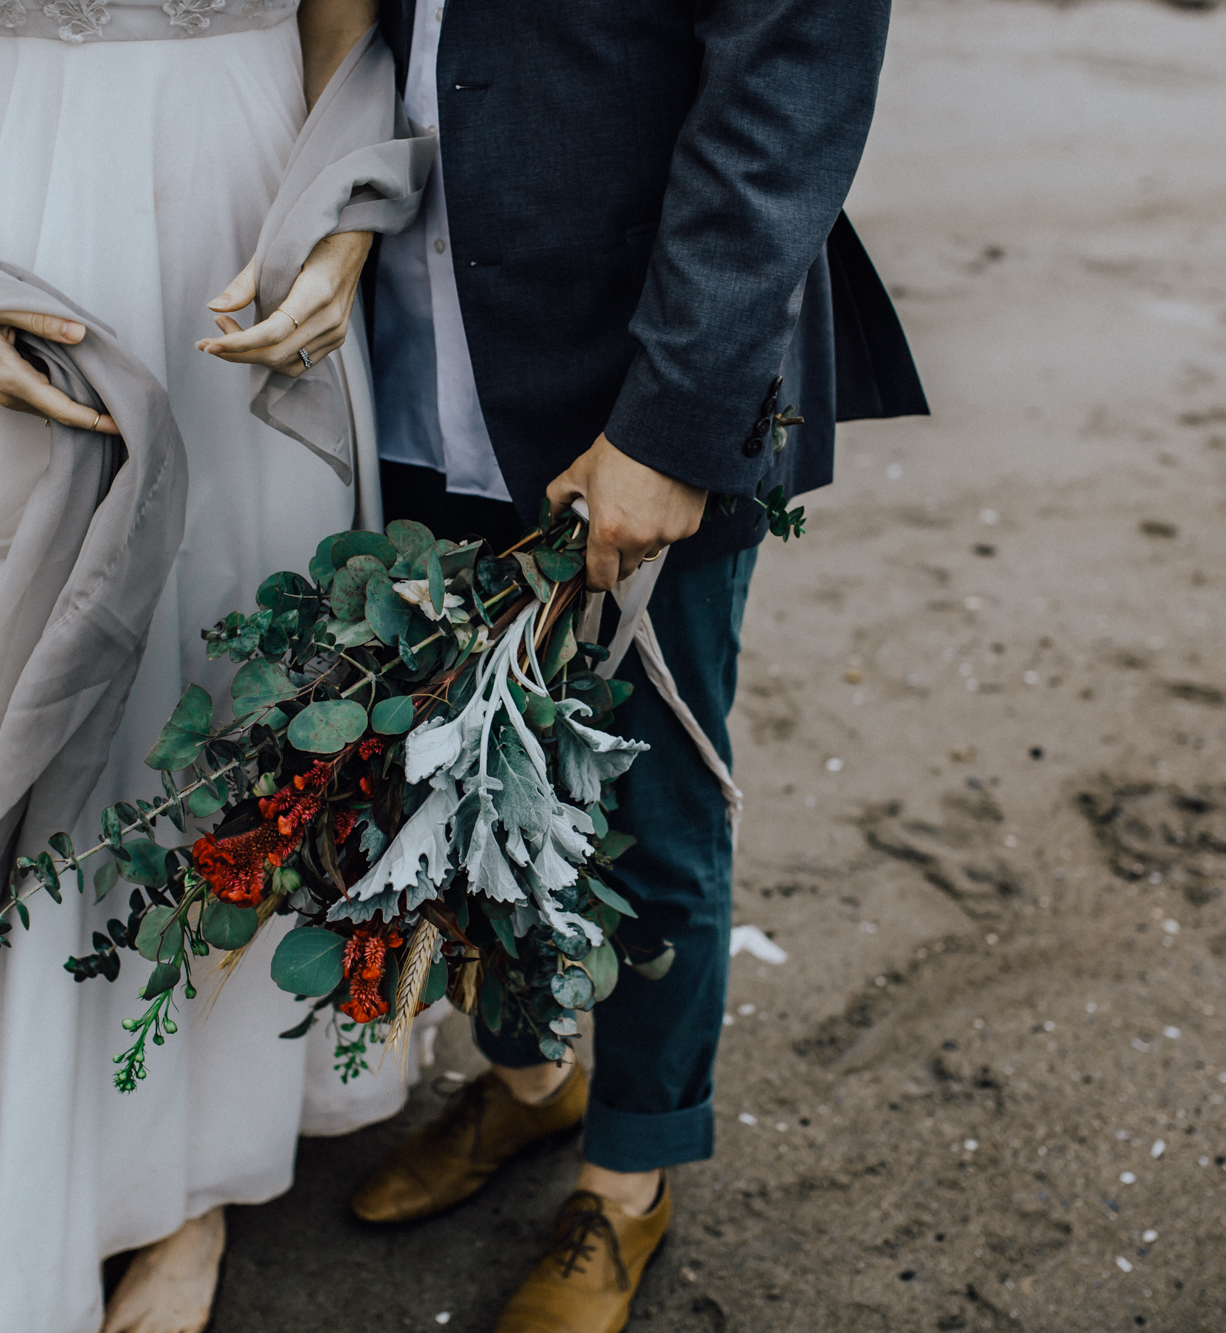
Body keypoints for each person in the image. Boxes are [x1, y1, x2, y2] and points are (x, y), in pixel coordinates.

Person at [0, 2, 418, 1330]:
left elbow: (349, 28)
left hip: (234, 249)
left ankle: (188, 1178)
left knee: (217, 723)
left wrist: (338, 219)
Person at [314, 3, 929, 1330]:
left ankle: (630, 1174)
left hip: (632, 370)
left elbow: (786, 86)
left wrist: (668, 422)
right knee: (476, 770)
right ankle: (534, 1082)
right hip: (420, 345)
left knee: (652, 804)